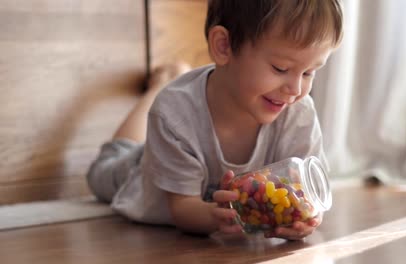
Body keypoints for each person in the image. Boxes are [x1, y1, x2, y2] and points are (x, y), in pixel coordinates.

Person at [87, 0, 343, 241]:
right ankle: (162, 83)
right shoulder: (174, 113)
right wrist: (215, 217)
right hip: (139, 172)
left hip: (175, 151)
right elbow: (182, 209)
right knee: (109, 163)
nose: (296, 89)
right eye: (280, 69)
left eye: (309, 72)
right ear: (223, 46)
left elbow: (306, 193)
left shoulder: (298, 112)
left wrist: (304, 217)